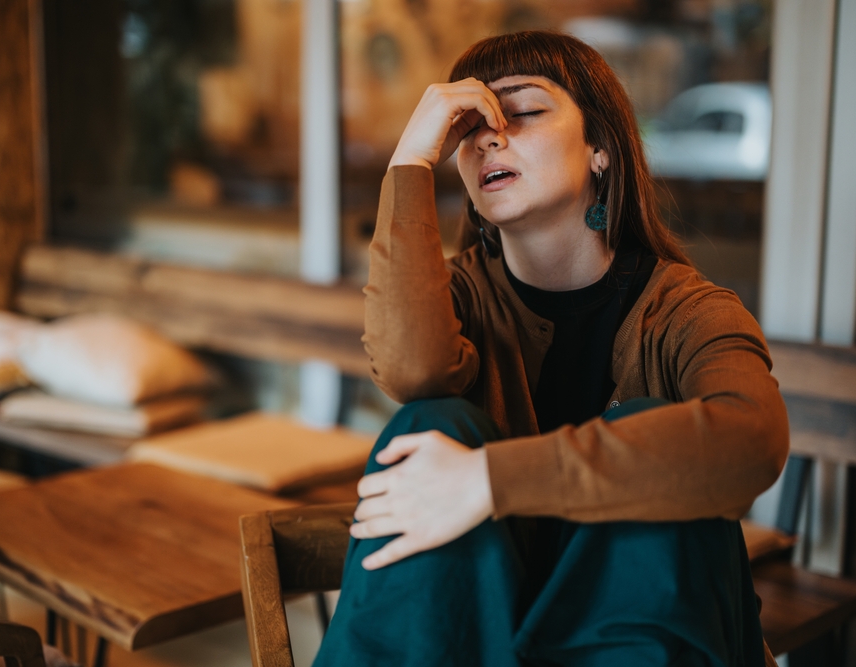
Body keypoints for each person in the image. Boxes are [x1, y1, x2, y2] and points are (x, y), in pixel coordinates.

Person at [313, 30, 788, 667]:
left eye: (524, 111)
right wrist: (410, 162)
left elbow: (751, 440)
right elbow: (411, 366)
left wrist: (489, 482)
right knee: (432, 422)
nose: (487, 137)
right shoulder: (462, 298)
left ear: (601, 149)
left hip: (646, 639)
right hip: (485, 632)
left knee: (649, 424)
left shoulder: (685, 311)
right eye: (466, 128)